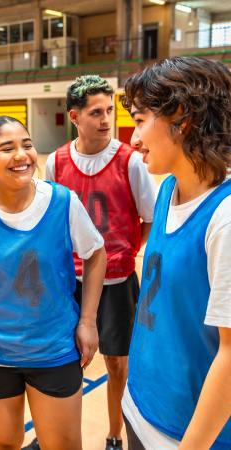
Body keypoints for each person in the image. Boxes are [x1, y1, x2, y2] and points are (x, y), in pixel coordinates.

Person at [0, 116, 107, 450]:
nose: (22, 155)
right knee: (4, 443)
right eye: (7, 148)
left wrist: (88, 320)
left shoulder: (63, 202)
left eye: (27, 144)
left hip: (55, 351)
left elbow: (96, 254)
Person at [122, 56, 231, 450]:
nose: (133, 141)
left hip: (188, 436)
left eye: (138, 120)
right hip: (140, 407)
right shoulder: (168, 189)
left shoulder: (224, 217)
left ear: (181, 117)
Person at [45, 75, 157, 450]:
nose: (106, 118)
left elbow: (148, 219)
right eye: (96, 112)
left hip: (118, 282)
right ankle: (62, 436)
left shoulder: (130, 161)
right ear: (75, 116)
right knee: (66, 364)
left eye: (109, 110)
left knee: (117, 365)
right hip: (70, 282)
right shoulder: (56, 163)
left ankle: (114, 433)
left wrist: (123, 252)